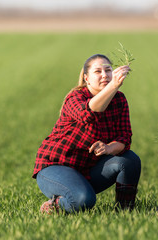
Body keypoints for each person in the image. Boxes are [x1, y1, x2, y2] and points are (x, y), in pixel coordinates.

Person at [32, 54, 141, 214]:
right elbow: (88, 114)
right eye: (98, 71)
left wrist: (109, 148)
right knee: (84, 201)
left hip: (88, 169)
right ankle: (55, 204)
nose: (104, 75)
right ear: (86, 78)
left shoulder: (119, 100)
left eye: (108, 70)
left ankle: (124, 211)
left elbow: (125, 137)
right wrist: (113, 86)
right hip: (56, 166)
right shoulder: (75, 97)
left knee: (130, 160)